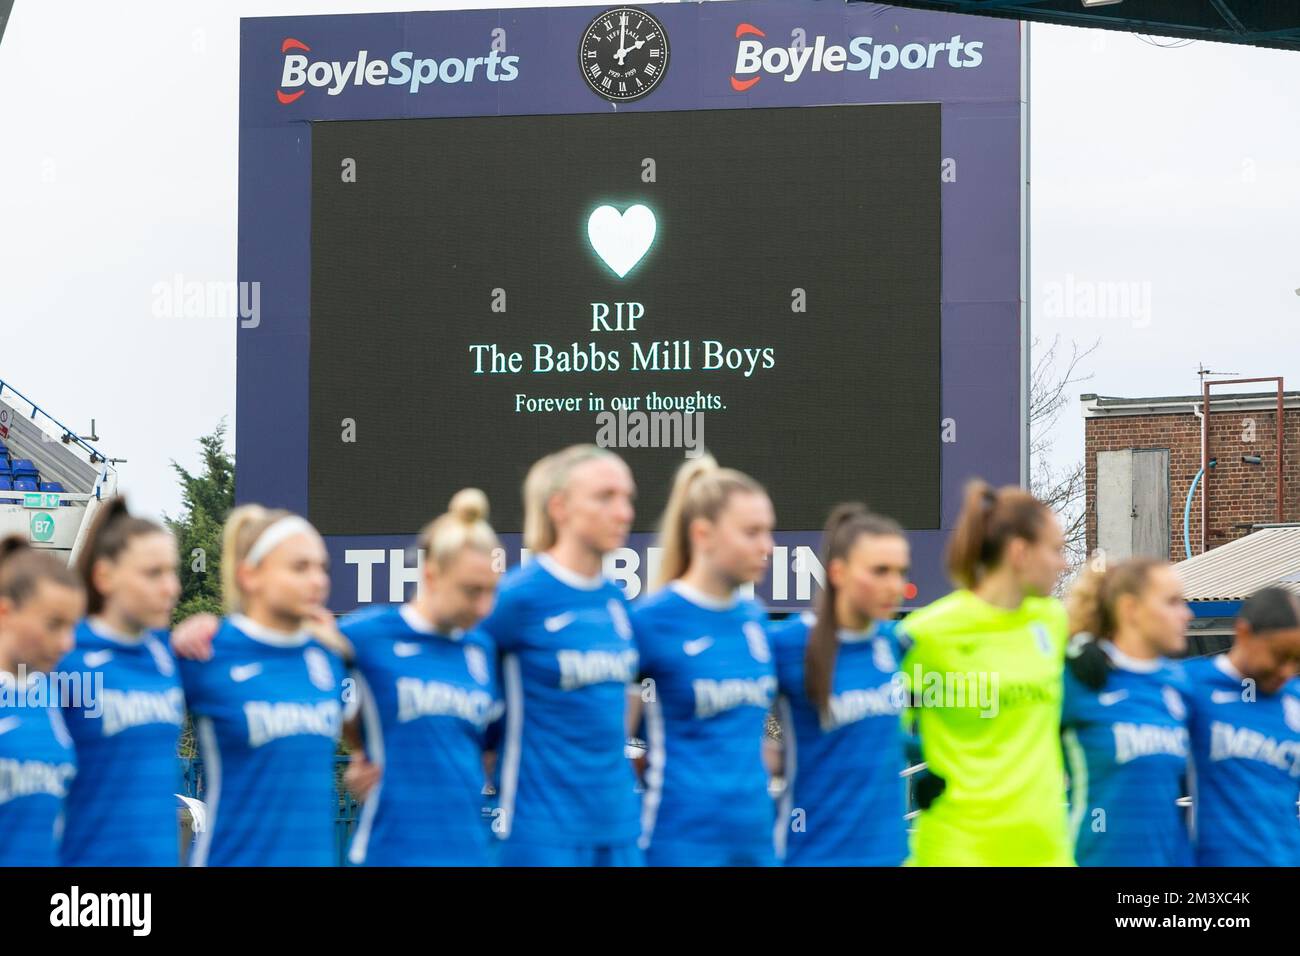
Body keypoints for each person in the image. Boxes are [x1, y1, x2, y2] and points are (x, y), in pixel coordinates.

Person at [478, 445, 642, 866]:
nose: (623, 512)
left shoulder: (616, 600)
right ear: (559, 507)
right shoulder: (517, 597)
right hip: (541, 835)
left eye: (627, 498)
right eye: (605, 497)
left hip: (620, 832)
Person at [898, 479, 1071, 866]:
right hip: (958, 851)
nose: (1065, 563)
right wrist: (915, 757)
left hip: (1046, 851)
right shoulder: (927, 634)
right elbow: (877, 727)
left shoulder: (1052, 620)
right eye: (1055, 550)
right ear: (1019, 552)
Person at [176, 505, 348, 866]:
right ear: (250, 575)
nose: (318, 580)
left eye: (322, 567)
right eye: (300, 567)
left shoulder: (326, 656)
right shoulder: (206, 652)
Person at [340, 489, 503, 866]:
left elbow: (490, 748)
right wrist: (359, 753)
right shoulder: (366, 635)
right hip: (389, 850)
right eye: (471, 591)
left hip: (470, 853)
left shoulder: (483, 650)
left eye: (490, 592)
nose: (483, 606)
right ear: (432, 573)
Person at [629, 456, 777, 866]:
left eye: (768, 531)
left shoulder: (755, 620)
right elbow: (609, 738)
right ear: (703, 533)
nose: (766, 546)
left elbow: (756, 737)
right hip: (681, 844)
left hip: (756, 844)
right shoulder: (651, 621)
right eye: (751, 532)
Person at [770, 503, 910, 866]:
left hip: (890, 855)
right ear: (838, 573)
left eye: (900, 571)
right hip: (814, 855)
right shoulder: (788, 644)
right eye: (880, 571)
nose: (894, 585)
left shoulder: (894, 642)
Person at [60, 497, 185, 866]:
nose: (171, 588)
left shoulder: (165, 655)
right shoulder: (64, 658)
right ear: (104, 576)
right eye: (153, 573)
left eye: (172, 572)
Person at [1061, 558, 1193, 866]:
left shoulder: (1182, 685)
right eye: (1172, 602)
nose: (1186, 614)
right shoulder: (1078, 678)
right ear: (1130, 609)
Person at [1181, 587, 1300, 866]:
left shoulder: (1294, 700)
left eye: (1296, 660)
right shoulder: (1190, 687)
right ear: (1244, 633)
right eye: (1279, 655)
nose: (1286, 671)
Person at [0, 537, 83, 866]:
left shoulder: (50, 696)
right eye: (53, 625)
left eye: (71, 627)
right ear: (6, 612)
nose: (66, 643)